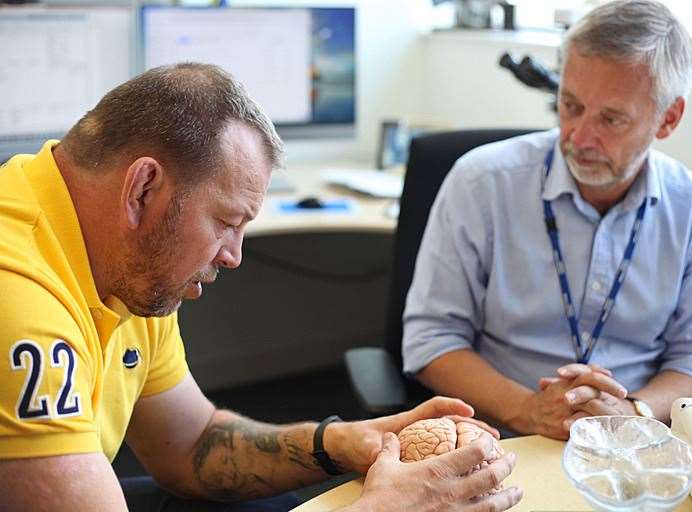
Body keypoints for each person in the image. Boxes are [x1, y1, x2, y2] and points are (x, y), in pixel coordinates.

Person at [0, 63, 524, 512]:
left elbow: (192, 445)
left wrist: (345, 442)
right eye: (226, 221)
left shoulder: (122, 259)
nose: (234, 255)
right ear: (142, 189)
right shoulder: (20, 301)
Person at [402, 0, 692, 441]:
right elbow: (431, 339)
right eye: (570, 105)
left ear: (667, 119)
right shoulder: (481, 182)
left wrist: (633, 413)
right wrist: (528, 410)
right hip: (497, 433)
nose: (579, 137)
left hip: (633, 441)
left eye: (610, 119)